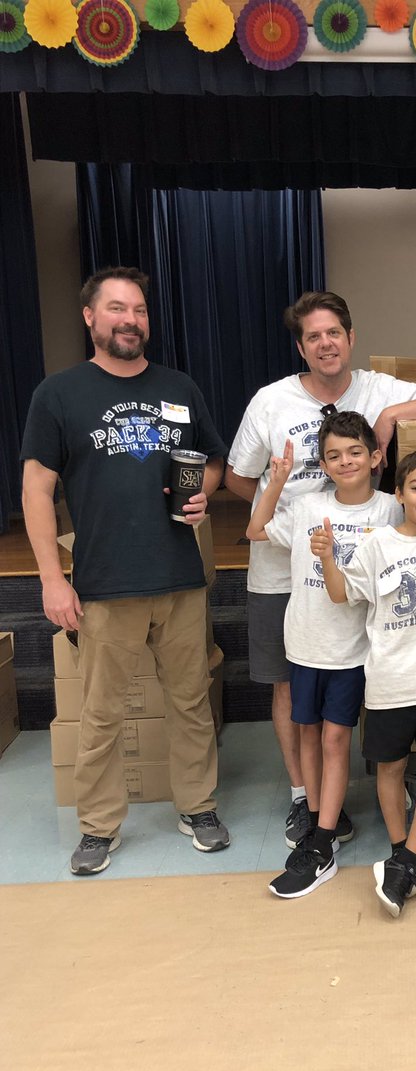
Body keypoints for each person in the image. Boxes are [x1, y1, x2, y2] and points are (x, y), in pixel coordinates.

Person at [225, 291, 416, 853]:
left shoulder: (378, 391)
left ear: (350, 337)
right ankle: (304, 797)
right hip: (283, 571)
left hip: (366, 563)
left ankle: (374, 780)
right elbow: (241, 481)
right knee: (292, 688)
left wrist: (391, 416)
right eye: (313, 336)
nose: (325, 343)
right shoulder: (270, 401)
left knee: (360, 679)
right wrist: (290, 505)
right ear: (301, 346)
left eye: (333, 332)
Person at [20, 266, 229, 875]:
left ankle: (199, 807)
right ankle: (98, 826)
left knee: (190, 702)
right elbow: (37, 490)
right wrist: (51, 580)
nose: (129, 320)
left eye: (137, 310)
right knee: (102, 711)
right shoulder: (58, 394)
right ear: (90, 317)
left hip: (180, 578)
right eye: (116, 309)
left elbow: (211, 461)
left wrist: (204, 492)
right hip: (105, 583)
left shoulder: (179, 387)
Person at [246, 412, 402, 899]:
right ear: (324, 463)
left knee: (337, 741)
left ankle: (322, 844)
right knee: (308, 736)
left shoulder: (390, 510)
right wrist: (276, 481)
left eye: (355, 452)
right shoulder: (308, 506)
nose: (345, 461)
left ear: (375, 458)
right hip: (305, 644)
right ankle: (318, 823)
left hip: (353, 651)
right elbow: (256, 529)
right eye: (333, 455)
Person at [312, 448, 416, 918]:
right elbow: (342, 595)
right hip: (388, 682)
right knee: (390, 771)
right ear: (398, 493)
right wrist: (326, 558)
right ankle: (403, 850)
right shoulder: (377, 545)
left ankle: (403, 861)